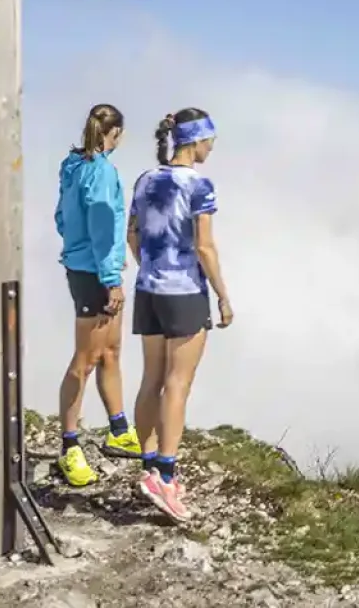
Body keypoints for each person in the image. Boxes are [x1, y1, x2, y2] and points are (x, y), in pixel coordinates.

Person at [127, 107, 234, 521]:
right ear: (196, 140)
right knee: (177, 384)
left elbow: (133, 234)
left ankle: (149, 467)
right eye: (210, 141)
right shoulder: (199, 185)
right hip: (185, 292)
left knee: (151, 379)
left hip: (148, 290)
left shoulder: (146, 179)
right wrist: (223, 296)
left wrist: (149, 267)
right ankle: (166, 478)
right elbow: (204, 246)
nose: (212, 148)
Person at [52, 103, 143, 487]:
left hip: (82, 265)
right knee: (86, 358)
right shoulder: (102, 172)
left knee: (110, 351)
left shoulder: (73, 166)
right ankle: (69, 446)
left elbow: (62, 217)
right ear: (115, 132)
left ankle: (119, 430)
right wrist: (111, 278)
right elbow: (104, 228)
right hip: (95, 273)